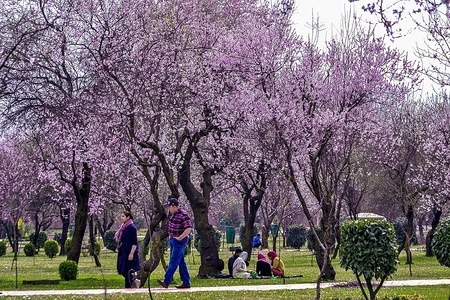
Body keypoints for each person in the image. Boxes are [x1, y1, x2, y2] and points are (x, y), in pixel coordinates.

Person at [157, 198, 192, 289]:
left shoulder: (183, 215)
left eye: (169, 207)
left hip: (179, 241)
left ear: (174, 206)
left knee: (173, 261)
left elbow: (188, 228)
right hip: (173, 239)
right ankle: (186, 282)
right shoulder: (173, 214)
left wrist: (180, 237)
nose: (168, 209)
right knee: (181, 262)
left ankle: (166, 281)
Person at [115, 211, 141, 288]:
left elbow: (134, 242)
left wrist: (131, 253)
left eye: (123, 216)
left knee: (127, 269)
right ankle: (134, 280)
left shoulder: (132, 228)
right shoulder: (123, 227)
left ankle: (129, 286)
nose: (121, 217)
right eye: (121, 216)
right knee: (121, 269)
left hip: (129, 251)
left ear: (128, 217)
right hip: (123, 250)